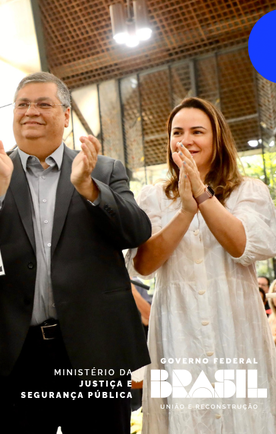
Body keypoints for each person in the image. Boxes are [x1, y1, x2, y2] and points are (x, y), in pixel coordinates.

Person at [0, 72, 152, 434]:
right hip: (15, 353)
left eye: (43, 103)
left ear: (66, 116)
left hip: (94, 346)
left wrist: (89, 188)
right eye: (23, 104)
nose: (31, 111)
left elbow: (136, 231)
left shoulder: (104, 169)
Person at [129, 97, 276, 433]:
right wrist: (184, 211)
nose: (186, 139)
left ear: (217, 138)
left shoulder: (248, 191)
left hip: (236, 328)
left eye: (198, 131)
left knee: (244, 416)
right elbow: (144, 263)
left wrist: (202, 195)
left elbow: (242, 245)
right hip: (178, 330)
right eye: (177, 132)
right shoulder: (152, 197)